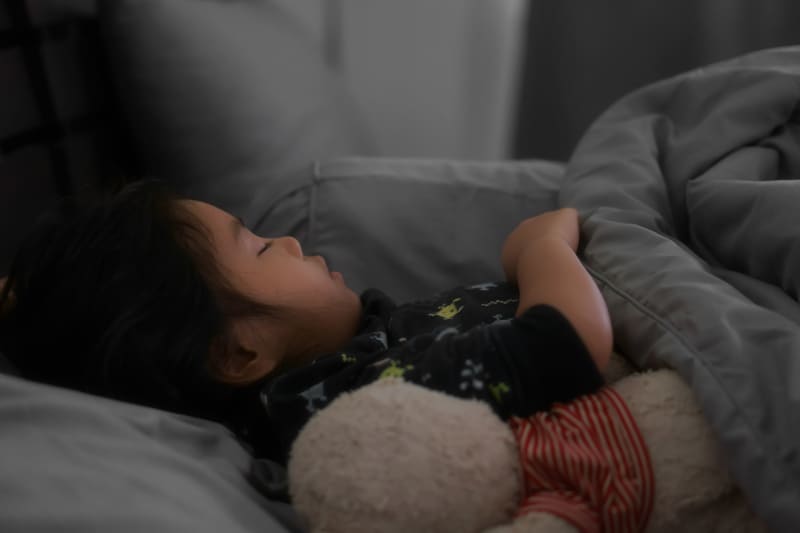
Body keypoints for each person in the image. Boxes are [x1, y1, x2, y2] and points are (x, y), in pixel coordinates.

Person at [0, 179, 612, 465]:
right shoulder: (344, 400)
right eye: (261, 248)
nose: (290, 242)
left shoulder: (354, 350)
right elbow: (561, 346)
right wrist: (541, 252)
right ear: (239, 353)